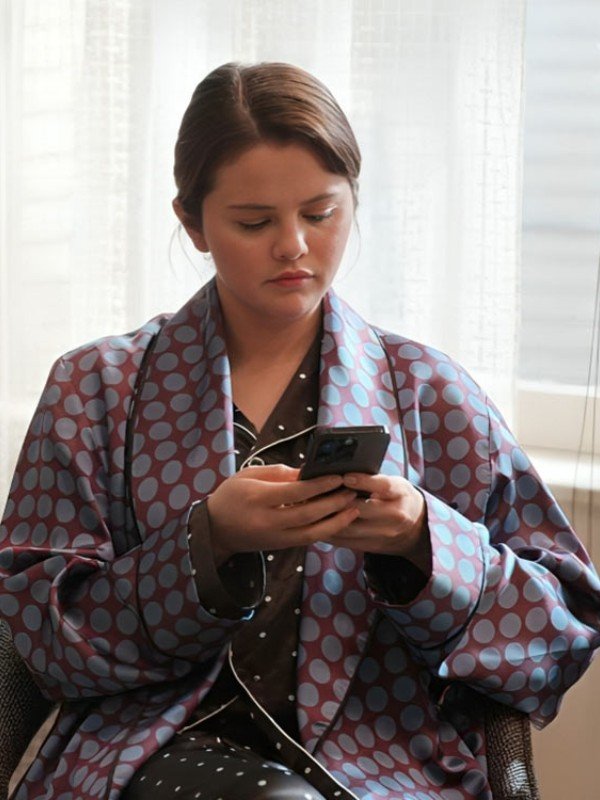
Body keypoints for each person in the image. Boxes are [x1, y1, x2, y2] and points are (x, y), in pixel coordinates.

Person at [1, 61, 599, 800]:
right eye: (254, 222)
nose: (293, 246)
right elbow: (40, 639)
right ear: (192, 223)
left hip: (380, 761)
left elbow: (560, 631)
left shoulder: (431, 393)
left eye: (320, 213)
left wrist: (424, 540)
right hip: (151, 749)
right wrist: (207, 543)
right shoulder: (95, 388)